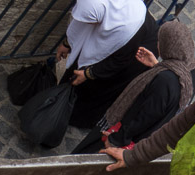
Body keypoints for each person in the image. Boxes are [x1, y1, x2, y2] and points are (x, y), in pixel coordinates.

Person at [71, 19, 195, 154]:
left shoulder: (165, 80)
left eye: (160, 42)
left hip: (124, 134)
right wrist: (157, 66)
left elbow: (145, 117)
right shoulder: (194, 67)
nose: (157, 45)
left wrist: (117, 139)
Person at [56, 0, 159, 129]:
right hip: (117, 31)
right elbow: (83, 22)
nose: (89, 24)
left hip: (136, 53)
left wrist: (88, 74)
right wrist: (67, 43)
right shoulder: (98, 6)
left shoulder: (126, 28)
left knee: (101, 84)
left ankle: (77, 117)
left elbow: (118, 61)